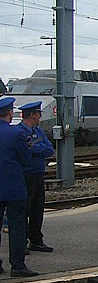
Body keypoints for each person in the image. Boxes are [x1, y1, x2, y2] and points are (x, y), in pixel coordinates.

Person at [0, 96, 36, 277]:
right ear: (9, 113)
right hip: (14, 187)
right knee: (16, 226)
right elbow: (26, 160)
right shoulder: (16, 134)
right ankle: (18, 265)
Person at [16, 101, 55, 252]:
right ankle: (22, 241)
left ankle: (36, 240)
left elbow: (49, 150)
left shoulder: (38, 131)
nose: (40, 116)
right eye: (39, 113)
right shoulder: (19, 132)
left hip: (38, 174)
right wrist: (38, 149)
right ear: (32, 114)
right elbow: (25, 151)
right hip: (26, 175)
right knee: (25, 209)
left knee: (37, 209)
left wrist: (35, 148)